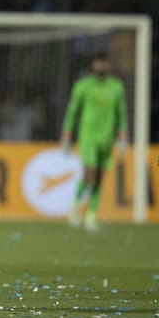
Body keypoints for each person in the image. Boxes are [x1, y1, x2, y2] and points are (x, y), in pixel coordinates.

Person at [61, 53, 128, 231]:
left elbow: (121, 112)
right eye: (98, 62)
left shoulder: (116, 86)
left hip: (107, 138)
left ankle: (91, 216)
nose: (101, 66)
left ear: (108, 65)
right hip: (88, 137)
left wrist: (122, 135)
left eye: (104, 63)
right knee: (90, 176)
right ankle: (75, 207)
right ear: (93, 64)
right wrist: (67, 135)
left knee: (99, 178)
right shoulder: (83, 86)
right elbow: (72, 112)